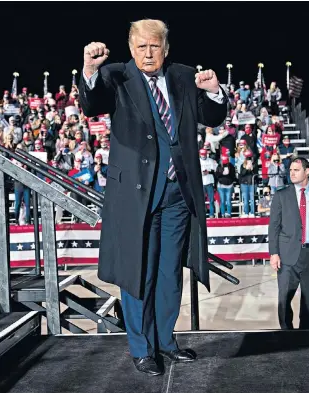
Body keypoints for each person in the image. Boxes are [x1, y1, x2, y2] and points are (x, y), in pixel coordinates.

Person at [78, 19, 228, 376]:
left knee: (169, 273)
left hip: (179, 195)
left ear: (166, 48)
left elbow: (212, 117)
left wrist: (214, 91)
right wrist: (88, 69)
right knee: (138, 273)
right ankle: (142, 349)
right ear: (131, 49)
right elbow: (91, 103)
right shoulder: (116, 76)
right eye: (142, 46)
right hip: (136, 198)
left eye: (155, 46)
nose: (148, 53)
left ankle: (165, 341)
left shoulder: (184, 75)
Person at [268, 157, 309, 329]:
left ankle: (306, 337)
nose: (292, 173)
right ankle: (286, 335)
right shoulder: (281, 195)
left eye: (296, 170)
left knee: (308, 302)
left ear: (307, 171)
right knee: (284, 300)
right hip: (287, 256)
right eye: (290, 170)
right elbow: (273, 226)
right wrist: (274, 253)